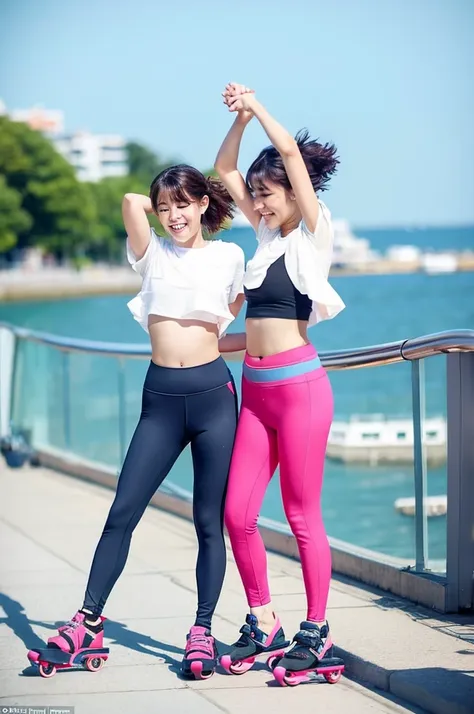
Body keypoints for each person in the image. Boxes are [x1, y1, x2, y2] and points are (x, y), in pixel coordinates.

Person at [29, 164, 246, 680]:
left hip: (215, 396)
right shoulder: (152, 255)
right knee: (122, 511)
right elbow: (131, 201)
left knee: (208, 523)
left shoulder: (229, 256)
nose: (173, 215)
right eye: (166, 206)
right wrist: (178, 198)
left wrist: (201, 202)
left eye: (182, 205)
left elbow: (235, 327)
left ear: (202, 207)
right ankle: (88, 621)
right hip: (162, 400)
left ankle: (201, 629)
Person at [214, 83, 346, 682]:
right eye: (258, 198)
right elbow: (222, 171)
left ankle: (315, 630)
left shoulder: (313, 237)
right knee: (236, 512)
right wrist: (239, 122)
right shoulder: (265, 244)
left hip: (300, 393)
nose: (260, 206)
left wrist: (258, 103)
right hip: (256, 391)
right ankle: (264, 620)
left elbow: (289, 152)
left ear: (296, 194)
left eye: (268, 197)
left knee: (300, 515)